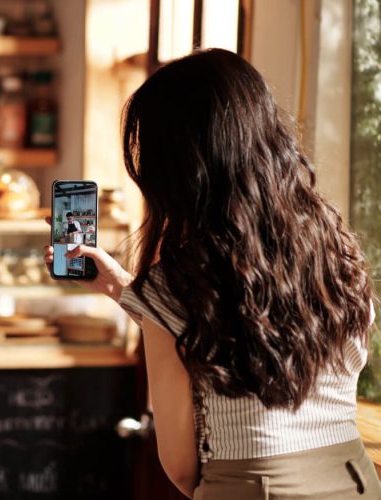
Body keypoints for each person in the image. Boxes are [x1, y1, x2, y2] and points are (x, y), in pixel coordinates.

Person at [45, 48, 380, 499]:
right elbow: (251, 329)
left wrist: (148, 297)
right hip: (355, 480)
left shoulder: (176, 281)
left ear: (180, 172)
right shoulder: (334, 252)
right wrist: (123, 290)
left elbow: (182, 466)